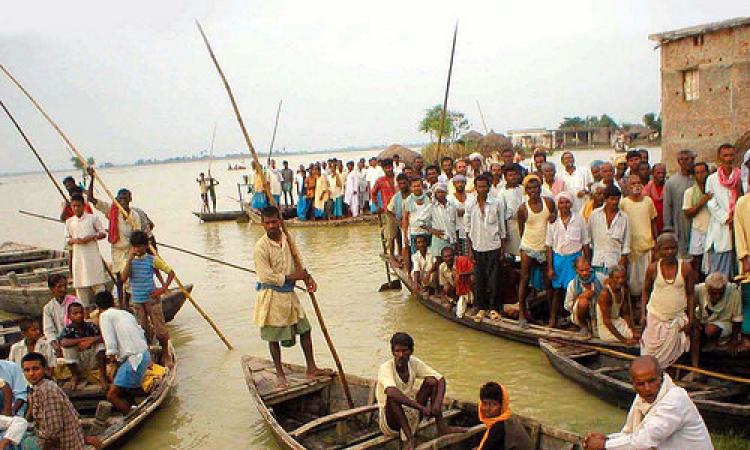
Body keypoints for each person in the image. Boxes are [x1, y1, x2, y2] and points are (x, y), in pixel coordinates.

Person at [253, 206, 328, 388]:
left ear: (280, 221)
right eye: (268, 222)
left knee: (305, 329)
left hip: (290, 295)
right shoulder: (260, 247)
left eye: (275, 221)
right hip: (271, 296)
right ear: (263, 224)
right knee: (273, 337)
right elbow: (266, 276)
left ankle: (311, 368)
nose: (272, 225)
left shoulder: (288, 239)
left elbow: (298, 262)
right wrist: (295, 277)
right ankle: (280, 375)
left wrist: (308, 278)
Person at [583, 356, 713, 450]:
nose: (647, 388)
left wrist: (604, 445)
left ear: (661, 377)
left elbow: (644, 440)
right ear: (633, 384)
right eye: (640, 384)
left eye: (652, 381)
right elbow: (631, 434)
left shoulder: (675, 400)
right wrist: (607, 439)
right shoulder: (642, 398)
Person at [376, 333, 458, 449]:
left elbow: (440, 379)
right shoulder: (386, 367)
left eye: (405, 351)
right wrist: (421, 408)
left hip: (411, 415)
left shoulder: (413, 363)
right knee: (392, 396)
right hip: (391, 422)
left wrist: (437, 405)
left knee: (431, 381)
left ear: (411, 351)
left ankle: (442, 428)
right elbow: (391, 391)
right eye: (397, 351)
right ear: (392, 352)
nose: (401, 355)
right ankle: (409, 439)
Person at [88, 167, 153, 306]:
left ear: (130, 199)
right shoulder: (112, 209)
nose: (122, 201)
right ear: (117, 199)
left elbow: (139, 234)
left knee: (130, 277)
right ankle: (122, 305)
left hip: (131, 249)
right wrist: (92, 177)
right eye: (120, 198)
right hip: (117, 249)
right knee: (120, 278)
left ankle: (130, 302)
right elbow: (90, 199)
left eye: (125, 198)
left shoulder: (134, 215)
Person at [640, 234, 695, 369]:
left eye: (673, 248)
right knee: (649, 351)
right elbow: (645, 291)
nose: (669, 252)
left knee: (681, 341)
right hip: (655, 315)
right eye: (665, 249)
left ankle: (689, 370)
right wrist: (643, 314)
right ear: (658, 250)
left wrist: (691, 319)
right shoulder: (653, 268)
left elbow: (691, 294)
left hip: (677, 317)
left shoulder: (686, 268)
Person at [120, 231, 174, 367]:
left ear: (146, 246)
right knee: (142, 329)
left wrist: (163, 289)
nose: (137, 249)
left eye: (140, 246)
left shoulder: (152, 260)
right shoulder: (129, 261)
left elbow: (171, 272)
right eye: (135, 246)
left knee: (160, 329)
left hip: (152, 299)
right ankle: (148, 355)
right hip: (137, 301)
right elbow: (123, 278)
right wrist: (129, 260)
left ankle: (166, 354)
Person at [96, 290, 152, 414]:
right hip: (145, 355)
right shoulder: (126, 314)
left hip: (134, 360)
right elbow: (141, 333)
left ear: (98, 307)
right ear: (112, 302)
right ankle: (132, 405)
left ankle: (131, 415)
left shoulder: (104, 316)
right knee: (122, 386)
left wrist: (113, 365)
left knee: (111, 395)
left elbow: (110, 345)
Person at [22, 352, 86, 449]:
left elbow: (53, 431)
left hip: (65, 445)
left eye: (35, 369)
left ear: (44, 369)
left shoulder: (47, 389)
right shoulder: (38, 387)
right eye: (27, 370)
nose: (31, 373)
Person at [465, 175, 507, 323]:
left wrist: (502, 249)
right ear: (475, 188)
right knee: (479, 279)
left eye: (484, 186)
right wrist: (470, 250)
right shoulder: (470, 205)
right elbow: (467, 229)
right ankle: (481, 307)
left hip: (494, 246)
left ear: (489, 187)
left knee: (494, 279)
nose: (482, 189)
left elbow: (502, 227)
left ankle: (494, 308)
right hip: (477, 247)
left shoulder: (497, 203)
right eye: (479, 186)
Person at [546, 192, 590, 327]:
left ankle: (576, 320)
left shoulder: (579, 219)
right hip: (558, 259)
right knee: (557, 291)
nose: (564, 205)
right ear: (557, 205)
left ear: (571, 203)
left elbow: (585, 243)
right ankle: (553, 319)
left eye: (567, 202)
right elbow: (549, 245)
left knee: (574, 291)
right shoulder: (553, 221)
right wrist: (550, 267)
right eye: (561, 202)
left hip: (574, 259)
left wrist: (587, 263)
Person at [517, 175, 555, 327]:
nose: (533, 191)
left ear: (540, 188)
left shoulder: (548, 203)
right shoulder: (523, 208)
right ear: (526, 191)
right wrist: (527, 244)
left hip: (546, 248)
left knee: (549, 282)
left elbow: (554, 218)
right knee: (524, 280)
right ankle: (521, 314)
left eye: (536, 187)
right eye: (530, 188)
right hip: (528, 247)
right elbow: (521, 229)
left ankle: (552, 317)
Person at [64, 193, 108, 309]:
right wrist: (75, 240)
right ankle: (83, 313)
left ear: (83, 206)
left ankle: (103, 309)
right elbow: (67, 239)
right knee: (81, 288)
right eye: (73, 206)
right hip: (78, 258)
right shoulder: (69, 222)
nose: (76, 208)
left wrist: (91, 237)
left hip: (92, 257)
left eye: (78, 206)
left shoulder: (93, 218)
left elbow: (103, 233)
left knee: (99, 286)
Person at [692, 273, 743, 367]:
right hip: (703, 322)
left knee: (710, 330)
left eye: (720, 293)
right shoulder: (699, 289)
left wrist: (734, 340)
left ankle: (712, 345)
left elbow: (737, 318)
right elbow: (690, 305)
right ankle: (695, 367)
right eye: (714, 293)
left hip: (724, 323)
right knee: (695, 332)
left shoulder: (733, 292)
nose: (717, 296)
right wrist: (694, 320)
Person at [705, 143, 740, 277]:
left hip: (739, 224)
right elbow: (711, 203)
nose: (728, 158)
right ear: (719, 157)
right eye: (725, 155)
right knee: (720, 271)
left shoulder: (740, 176)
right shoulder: (712, 179)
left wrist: (737, 218)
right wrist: (727, 218)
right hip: (721, 226)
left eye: (731, 155)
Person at [619, 174, 657, 300]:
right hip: (631, 248)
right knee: (633, 283)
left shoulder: (648, 201)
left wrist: (656, 242)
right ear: (627, 186)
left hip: (647, 247)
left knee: (647, 281)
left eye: (638, 183)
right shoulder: (623, 203)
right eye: (633, 184)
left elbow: (653, 222)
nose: (636, 186)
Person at [59, 302, 106, 390]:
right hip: (78, 361)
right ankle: (75, 375)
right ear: (69, 316)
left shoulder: (91, 325)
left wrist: (91, 341)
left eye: (81, 313)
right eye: (75, 313)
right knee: (67, 349)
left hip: (92, 359)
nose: (79, 315)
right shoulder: (68, 329)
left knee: (101, 345)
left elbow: (103, 337)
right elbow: (63, 342)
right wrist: (83, 340)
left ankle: (102, 376)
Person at [477, 381, 532, 450]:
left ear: (502, 405)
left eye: (494, 404)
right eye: (485, 403)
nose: (488, 408)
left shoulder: (499, 426)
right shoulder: (509, 417)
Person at [588, 185, 630, 276]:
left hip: (615, 262)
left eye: (617, 199)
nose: (615, 202)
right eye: (612, 199)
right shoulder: (594, 215)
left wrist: (622, 263)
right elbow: (589, 240)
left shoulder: (624, 217)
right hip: (597, 261)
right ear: (605, 199)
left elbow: (626, 244)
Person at [663, 150, 695, 258]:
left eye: (688, 159)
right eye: (682, 159)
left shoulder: (699, 179)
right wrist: (668, 227)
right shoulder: (671, 182)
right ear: (678, 162)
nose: (686, 162)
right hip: (680, 226)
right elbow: (668, 206)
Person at [596, 265, 638, 344]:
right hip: (606, 326)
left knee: (637, 335)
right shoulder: (605, 294)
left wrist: (633, 330)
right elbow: (606, 321)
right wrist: (624, 340)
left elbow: (626, 314)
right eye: (617, 278)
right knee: (631, 337)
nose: (621, 280)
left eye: (623, 277)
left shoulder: (623, 290)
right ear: (611, 278)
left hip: (618, 322)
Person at [564, 257, 606, 337]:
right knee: (583, 302)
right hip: (581, 314)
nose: (585, 273)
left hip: (599, 312)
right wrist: (580, 297)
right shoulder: (572, 284)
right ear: (576, 270)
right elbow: (567, 306)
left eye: (587, 269)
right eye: (581, 270)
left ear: (590, 267)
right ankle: (584, 326)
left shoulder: (600, 279)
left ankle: (596, 325)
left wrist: (596, 296)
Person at [684, 162, 712, 277]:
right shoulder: (690, 192)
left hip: (713, 231)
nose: (701, 175)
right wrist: (702, 201)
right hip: (698, 231)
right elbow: (688, 213)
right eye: (698, 172)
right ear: (694, 175)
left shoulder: (713, 190)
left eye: (703, 171)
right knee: (697, 263)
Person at [42, 274, 78, 360]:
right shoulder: (48, 308)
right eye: (60, 287)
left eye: (65, 286)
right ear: (52, 289)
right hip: (59, 340)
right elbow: (48, 330)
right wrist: (55, 345)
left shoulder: (74, 301)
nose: (63, 289)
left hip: (75, 337)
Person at [498, 164, 524, 259]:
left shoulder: (522, 188)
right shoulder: (502, 193)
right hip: (511, 226)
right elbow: (501, 215)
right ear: (505, 177)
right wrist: (504, 233)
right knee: (513, 254)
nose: (513, 177)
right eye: (510, 175)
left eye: (515, 174)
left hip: (524, 224)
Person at [402, 177, 431, 259]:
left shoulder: (428, 198)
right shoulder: (408, 201)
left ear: (422, 186)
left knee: (429, 255)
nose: (417, 188)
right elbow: (405, 219)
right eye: (414, 186)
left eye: (418, 186)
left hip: (428, 232)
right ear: (411, 188)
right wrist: (405, 235)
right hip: (415, 232)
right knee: (416, 256)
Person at [424, 183, 456, 257]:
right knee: (438, 261)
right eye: (438, 192)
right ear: (435, 194)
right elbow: (419, 221)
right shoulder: (432, 206)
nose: (440, 194)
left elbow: (454, 224)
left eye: (442, 192)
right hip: (439, 240)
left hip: (451, 240)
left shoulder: (451, 206)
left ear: (446, 193)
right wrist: (432, 230)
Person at [386, 174, 410, 264]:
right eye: (400, 184)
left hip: (410, 220)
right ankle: (392, 256)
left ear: (408, 183)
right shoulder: (396, 197)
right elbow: (388, 211)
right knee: (392, 234)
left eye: (404, 183)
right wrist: (397, 221)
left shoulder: (413, 195)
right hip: (398, 218)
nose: (402, 186)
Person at [447, 175, 474, 256]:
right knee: (458, 257)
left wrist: (462, 211)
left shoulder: (471, 197)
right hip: (455, 233)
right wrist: (465, 211)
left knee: (469, 257)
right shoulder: (449, 198)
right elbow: (449, 214)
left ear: (465, 183)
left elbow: (474, 212)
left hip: (470, 232)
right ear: (454, 184)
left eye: (462, 182)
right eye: (457, 182)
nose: (460, 184)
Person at [643, 163, 667, 235]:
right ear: (652, 173)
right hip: (651, 224)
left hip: (666, 224)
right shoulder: (647, 189)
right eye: (658, 173)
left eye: (663, 173)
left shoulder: (669, 187)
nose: (661, 175)